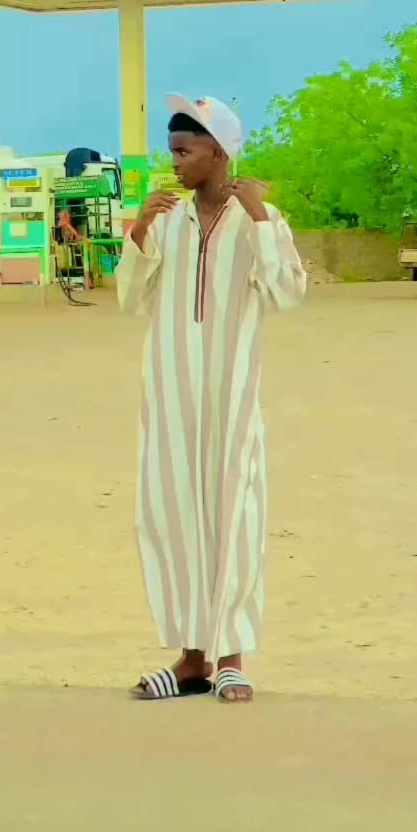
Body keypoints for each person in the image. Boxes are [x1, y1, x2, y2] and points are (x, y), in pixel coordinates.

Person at [116, 94, 306, 704]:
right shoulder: (167, 220)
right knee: (171, 514)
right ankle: (191, 658)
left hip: (231, 396)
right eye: (172, 150)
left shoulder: (260, 219)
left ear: (219, 151)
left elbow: (286, 293)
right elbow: (130, 299)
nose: (174, 161)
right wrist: (139, 231)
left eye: (184, 150)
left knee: (233, 515)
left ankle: (231, 656)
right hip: (171, 394)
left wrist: (260, 221)